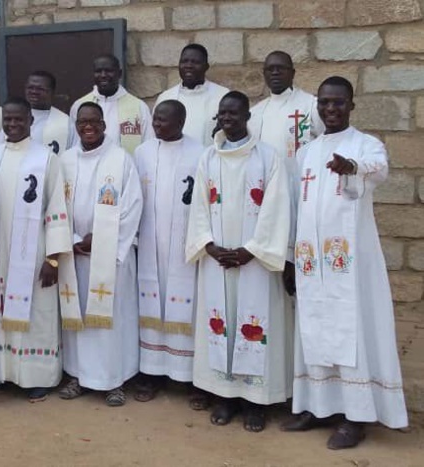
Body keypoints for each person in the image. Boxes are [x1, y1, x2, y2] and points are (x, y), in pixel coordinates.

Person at [282, 76, 408, 449]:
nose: (330, 109)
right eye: (324, 103)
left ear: (351, 105)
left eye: (338, 103)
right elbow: (295, 206)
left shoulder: (365, 144)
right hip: (310, 263)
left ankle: (356, 416)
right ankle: (318, 406)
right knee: (314, 328)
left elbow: (378, 169)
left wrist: (351, 167)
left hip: (348, 264)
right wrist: (290, 258)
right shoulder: (306, 152)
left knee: (350, 330)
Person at [185, 91, 292, 433]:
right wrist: (209, 245)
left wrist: (253, 249)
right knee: (221, 320)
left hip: (255, 259)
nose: (227, 119)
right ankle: (224, 396)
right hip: (218, 258)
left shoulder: (268, 157)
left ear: (248, 117)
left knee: (252, 320)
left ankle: (255, 403)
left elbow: (277, 207)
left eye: (234, 113)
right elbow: (198, 206)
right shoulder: (208, 158)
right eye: (223, 114)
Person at [56, 102, 142, 407]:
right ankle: (77, 376)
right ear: (76, 125)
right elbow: (56, 207)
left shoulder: (121, 160)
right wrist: (74, 238)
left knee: (110, 320)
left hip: (108, 257)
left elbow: (132, 208)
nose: (88, 127)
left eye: (94, 122)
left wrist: (102, 239)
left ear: (104, 125)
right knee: (77, 316)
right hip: (74, 253)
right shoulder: (64, 161)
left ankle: (113, 381)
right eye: (82, 122)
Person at [0, 97, 72, 402]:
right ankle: (5, 372)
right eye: (7, 120)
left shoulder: (46, 159)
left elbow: (58, 210)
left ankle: (38, 376)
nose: (12, 125)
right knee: (0, 315)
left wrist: (53, 258)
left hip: (35, 253)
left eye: (18, 119)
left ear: (30, 121)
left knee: (38, 314)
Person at [132, 100, 206, 406]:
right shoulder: (142, 152)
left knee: (184, 305)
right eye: (155, 120)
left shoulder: (200, 153)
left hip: (183, 242)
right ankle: (151, 372)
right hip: (150, 238)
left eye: (163, 120)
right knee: (150, 300)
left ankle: (188, 375)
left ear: (181, 122)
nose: (157, 125)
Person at [250, 51, 323, 188]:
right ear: (264, 74)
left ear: (293, 73)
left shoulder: (311, 105)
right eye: (270, 69)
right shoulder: (255, 112)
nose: (275, 72)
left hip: (302, 186)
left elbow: (326, 142)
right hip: (267, 187)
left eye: (280, 68)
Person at [69, 55, 153, 154]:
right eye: (98, 71)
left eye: (109, 71)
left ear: (120, 73)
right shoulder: (80, 105)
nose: (103, 75)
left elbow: (148, 145)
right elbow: (73, 144)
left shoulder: (139, 107)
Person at [156, 44, 230, 146]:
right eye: (184, 61)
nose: (189, 66)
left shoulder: (223, 95)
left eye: (195, 62)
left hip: (212, 159)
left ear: (206, 67)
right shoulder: (166, 97)